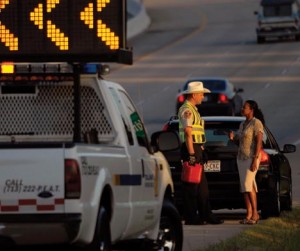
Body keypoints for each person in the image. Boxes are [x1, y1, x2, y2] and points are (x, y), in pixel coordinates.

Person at [178, 81, 224, 225]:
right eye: (201, 94)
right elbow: (187, 132)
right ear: (193, 95)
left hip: (196, 148)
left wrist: (201, 149)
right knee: (191, 186)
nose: (203, 96)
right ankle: (191, 218)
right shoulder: (187, 110)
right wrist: (192, 154)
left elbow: (195, 133)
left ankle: (206, 215)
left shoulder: (193, 109)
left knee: (202, 188)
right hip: (190, 149)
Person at [229, 100, 265, 225]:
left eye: (245, 107)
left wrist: (255, 159)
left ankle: (255, 214)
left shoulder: (256, 123)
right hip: (241, 158)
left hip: (251, 158)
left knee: (248, 184)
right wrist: (233, 138)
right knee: (245, 187)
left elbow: (259, 142)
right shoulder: (243, 124)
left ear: (251, 110)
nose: (242, 109)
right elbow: (239, 142)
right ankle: (249, 214)